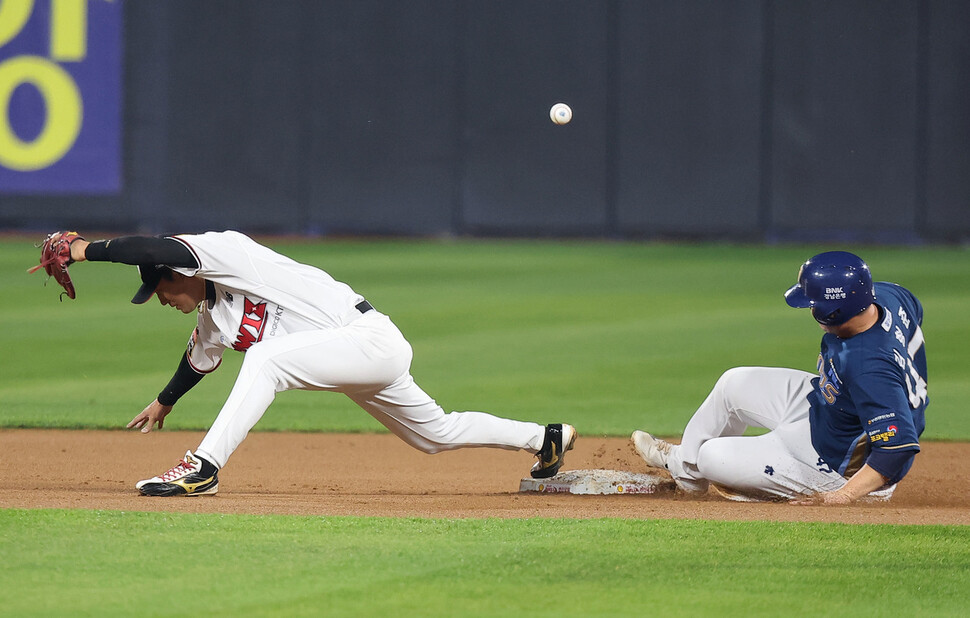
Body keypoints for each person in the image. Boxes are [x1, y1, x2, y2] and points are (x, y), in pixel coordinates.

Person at [63, 230, 576, 495]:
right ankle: (543, 437)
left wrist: (87, 250)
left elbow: (157, 245)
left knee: (265, 359)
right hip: (348, 356)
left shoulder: (230, 255)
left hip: (368, 338)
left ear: (182, 270)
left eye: (160, 285)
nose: (159, 297)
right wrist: (163, 401)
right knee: (433, 434)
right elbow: (199, 360)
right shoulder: (211, 317)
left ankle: (202, 469)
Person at [631, 251, 927, 505]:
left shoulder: (868, 367)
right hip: (834, 410)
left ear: (834, 311)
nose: (810, 308)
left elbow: (896, 449)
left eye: (814, 304)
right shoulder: (889, 296)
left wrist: (844, 496)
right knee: (734, 383)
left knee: (711, 457)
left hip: (841, 466)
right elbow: (914, 311)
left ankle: (830, 487)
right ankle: (686, 474)